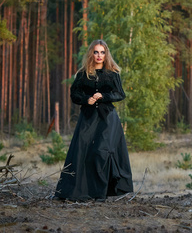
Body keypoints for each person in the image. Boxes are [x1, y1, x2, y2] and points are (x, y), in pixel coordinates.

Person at [55, 39, 133, 201]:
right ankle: (79, 191)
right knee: (82, 151)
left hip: (108, 119)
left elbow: (120, 94)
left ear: (106, 54)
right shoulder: (83, 74)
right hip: (88, 118)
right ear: (91, 53)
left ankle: (100, 194)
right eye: (96, 52)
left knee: (101, 152)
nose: (99, 55)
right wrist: (86, 99)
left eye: (102, 52)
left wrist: (104, 96)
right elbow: (74, 95)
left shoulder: (113, 74)